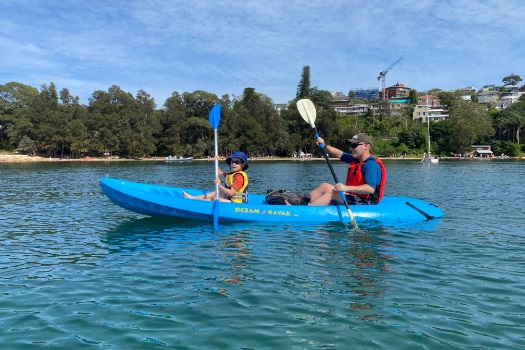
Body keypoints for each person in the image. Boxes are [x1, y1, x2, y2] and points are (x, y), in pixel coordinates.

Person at [309, 133, 386, 206]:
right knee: (324, 186)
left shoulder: (370, 165)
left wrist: (346, 188)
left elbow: (370, 189)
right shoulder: (356, 160)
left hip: (367, 201)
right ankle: (305, 201)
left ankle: (308, 211)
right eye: (351, 145)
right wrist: (325, 145)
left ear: (366, 146)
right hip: (355, 195)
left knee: (331, 193)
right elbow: (340, 154)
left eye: (354, 145)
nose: (351, 148)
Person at [182, 150, 249, 203]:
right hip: (230, 199)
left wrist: (219, 185)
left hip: (237, 204)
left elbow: (231, 193)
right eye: (232, 161)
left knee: (214, 198)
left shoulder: (239, 177)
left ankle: (196, 204)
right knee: (216, 193)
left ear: (242, 164)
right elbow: (219, 173)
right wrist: (215, 162)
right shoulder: (231, 174)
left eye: (237, 162)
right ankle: (192, 198)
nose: (233, 164)